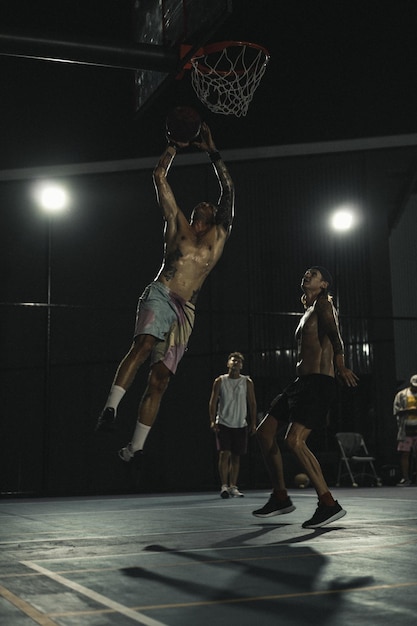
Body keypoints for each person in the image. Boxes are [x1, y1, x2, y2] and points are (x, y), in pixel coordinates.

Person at [95, 122, 235, 464]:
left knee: (159, 381)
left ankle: (136, 448)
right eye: (200, 206)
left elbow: (229, 190)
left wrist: (213, 152)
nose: (206, 204)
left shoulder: (218, 237)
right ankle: (110, 408)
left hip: (186, 311)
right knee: (142, 345)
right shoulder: (177, 224)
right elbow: (159, 176)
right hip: (162, 292)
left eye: (210, 205)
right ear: (194, 215)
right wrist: (174, 145)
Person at [253, 266, 359, 528]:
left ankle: (328, 503)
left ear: (324, 285)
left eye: (314, 274)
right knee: (264, 432)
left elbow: (337, 337)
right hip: (301, 383)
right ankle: (280, 497)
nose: (307, 275)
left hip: (319, 383)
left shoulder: (324, 305)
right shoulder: (308, 311)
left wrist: (341, 364)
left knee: (295, 441)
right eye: (306, 272)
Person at [209, 352, 257, 498]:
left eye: (238, 361)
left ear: (241, 365)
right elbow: (212, 402)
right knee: (224, 454)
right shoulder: (220, 381)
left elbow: (252, 403)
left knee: (236, 457)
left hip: (240, 423)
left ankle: (233, 486)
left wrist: (253, 423)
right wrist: (212, 420)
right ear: (228, 363)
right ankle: (224, 486)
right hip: (223, 422)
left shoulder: (247, 382)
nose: (235, 362)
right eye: (233, 360)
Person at [393, 374, 417, 486]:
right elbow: (396, 410)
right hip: (406, 429)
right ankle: (406, 478)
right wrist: (408, 410)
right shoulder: (402, 395)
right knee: (405, 454)